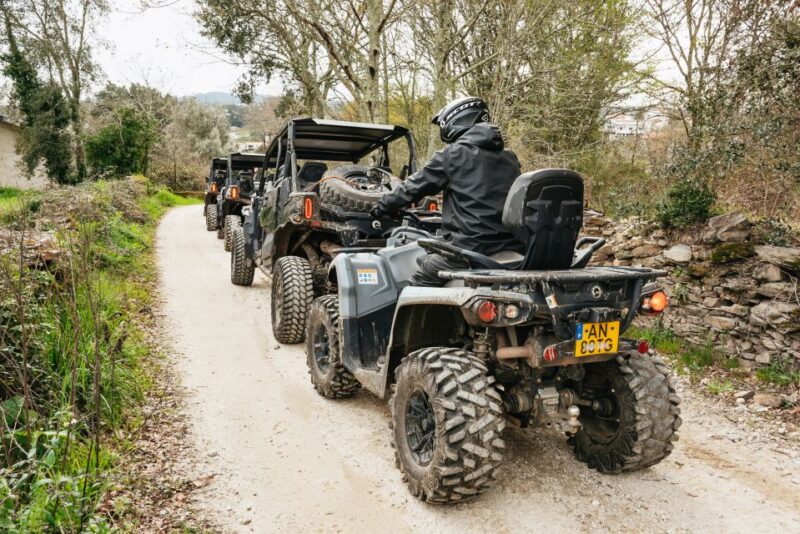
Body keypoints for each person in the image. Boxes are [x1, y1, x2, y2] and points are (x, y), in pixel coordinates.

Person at [371, 96, 523, 286]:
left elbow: (411, 188)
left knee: (417, 280)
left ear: (454, 121)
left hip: (469, 250)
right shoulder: (510, 158)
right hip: (511, 248)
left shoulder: (453, 155)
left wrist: (381, 207)